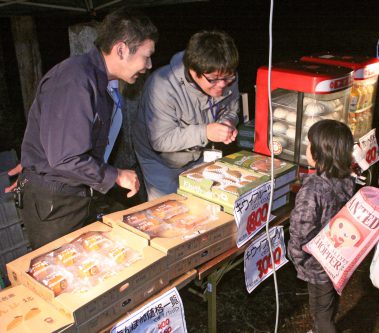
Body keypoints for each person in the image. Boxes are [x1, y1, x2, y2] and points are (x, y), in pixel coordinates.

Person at [18, 8, 158, 249]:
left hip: (78, 192)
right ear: (121, 49)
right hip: (56, 203)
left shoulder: (103, 81)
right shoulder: (75, 80)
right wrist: (116, 175)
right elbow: (65, 157)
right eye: (146, 56)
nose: (149, 65)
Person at [133, 30, 239, 200]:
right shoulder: (162, 85)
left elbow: (231, 109)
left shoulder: (225, 74)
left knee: (205, 201)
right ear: (193, 70)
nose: (222, 85)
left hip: (199, 152)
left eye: (228, 78)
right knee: (168, 209)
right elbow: (161, 140)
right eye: (213, 79)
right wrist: (206, 132)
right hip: (159, 160)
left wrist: (228, 122)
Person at [288, 120, 356, 333]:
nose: (306, 148)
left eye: (309, 143)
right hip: (338, 258)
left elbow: (301, 229)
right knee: (330, 301)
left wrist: (298, 258)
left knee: (321, 313)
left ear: (319, 151)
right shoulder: (346, 179)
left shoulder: (312, 190)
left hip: (318, 263)